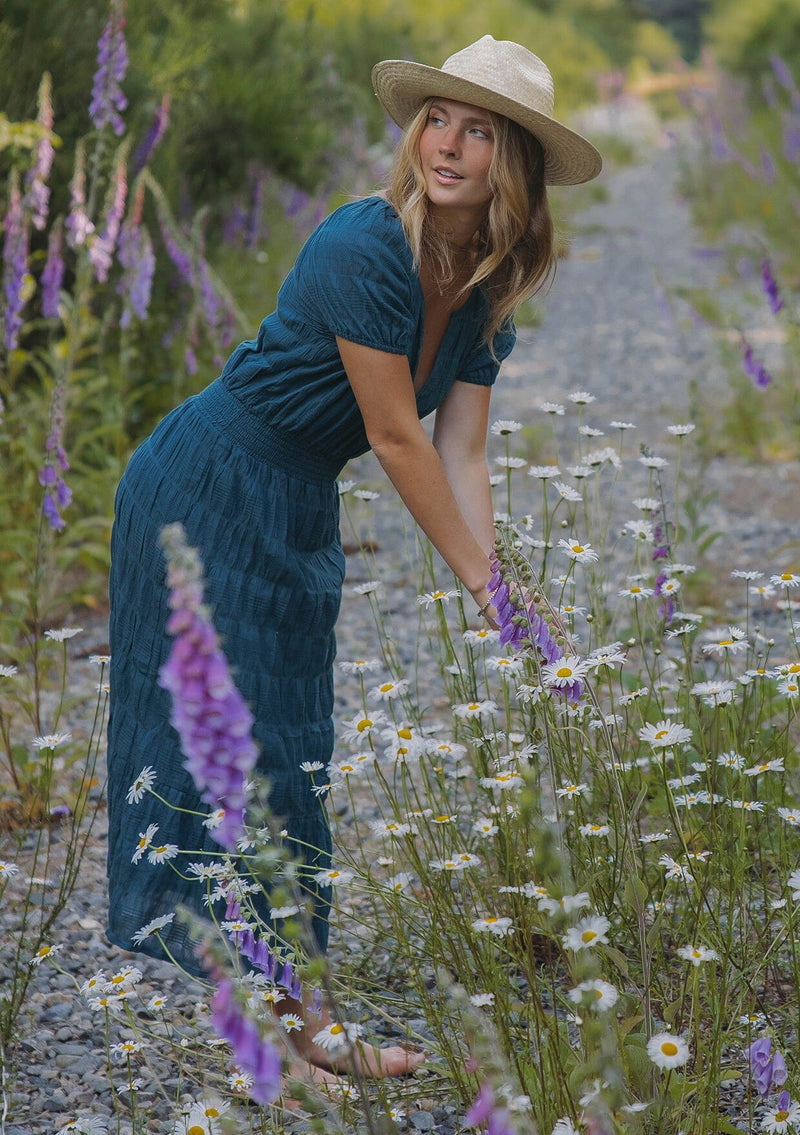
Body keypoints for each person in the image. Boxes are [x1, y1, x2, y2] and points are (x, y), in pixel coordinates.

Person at [105, 34, 601, 1081]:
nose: (449, 144)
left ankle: (298, 1020)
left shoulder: (483, 281)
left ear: (511, 161)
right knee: (232, 746)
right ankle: (273, 1032)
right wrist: (480, 585)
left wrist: (504, 591)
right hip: (201, 484)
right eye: (437, 119)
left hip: (290, 501)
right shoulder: (361, 246)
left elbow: (461, 446)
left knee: (293, 749)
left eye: (478, 129)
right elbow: (395, 438)